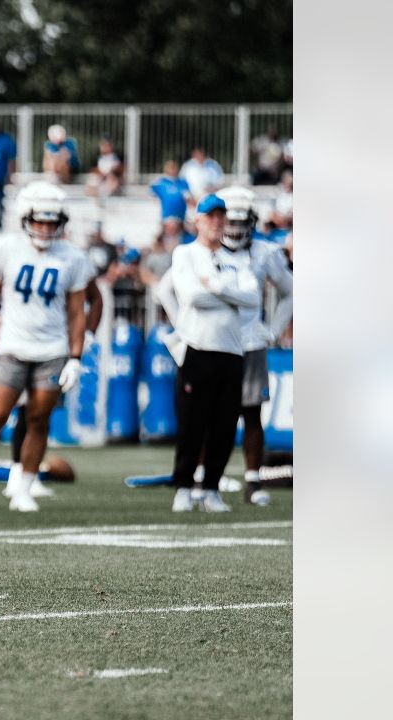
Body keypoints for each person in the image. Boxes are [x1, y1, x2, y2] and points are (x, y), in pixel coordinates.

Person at [0, 182, 93, 513]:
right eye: (40, 221)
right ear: (26, 219)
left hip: (52, 351)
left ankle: (24, 487)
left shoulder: (72, 257)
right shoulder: (6, 247)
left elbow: (76, 311)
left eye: (52, 222)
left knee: (39, 420)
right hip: (12, 347)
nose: (45, 228)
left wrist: (75, 357)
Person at [157, 187, 293, 506]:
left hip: (243, 344)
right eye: (218, 218)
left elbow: (257, 296)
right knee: (196, 419)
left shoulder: (255, 255)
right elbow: (181, 294)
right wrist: (185, 324)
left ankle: (236, 483)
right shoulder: (188, 253)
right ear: (202, 221)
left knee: (237, 418)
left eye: (232, 219)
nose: (228, 226)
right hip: (200, 343)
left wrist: (271, 331)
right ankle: (190, 483)